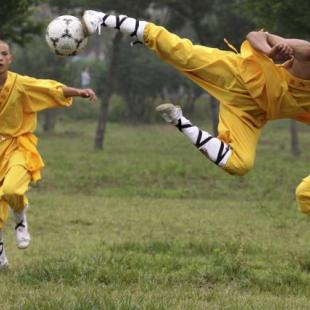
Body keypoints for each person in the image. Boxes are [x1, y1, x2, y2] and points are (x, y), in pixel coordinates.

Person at [81, 11, 310, 214]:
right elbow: (255, 36)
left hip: (249, 114)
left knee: (240, 165)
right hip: (240, 75)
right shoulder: (307, 52)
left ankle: (178, 120)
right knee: (181, 52)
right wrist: (270, 51)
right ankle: (103, 18)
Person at [0, 40, 97, 269]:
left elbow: (49, 89)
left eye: (3, 54)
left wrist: (79, 91)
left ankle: (20, 217)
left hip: (17, 147)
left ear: (10, 59)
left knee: (12, 189)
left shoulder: (20, 84)